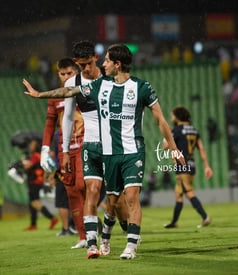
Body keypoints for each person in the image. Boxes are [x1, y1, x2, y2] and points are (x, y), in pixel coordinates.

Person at [23, 43, 185, 260]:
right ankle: (100, 239)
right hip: (105, 151)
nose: (102, 64)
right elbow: (69, 92)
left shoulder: (140, 87)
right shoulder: (101, 85)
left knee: (130, 197)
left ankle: (130, 245)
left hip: (132, 150)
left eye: (106, 60)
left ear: (116, 64)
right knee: (110, 200)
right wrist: (40, 94)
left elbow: (160, 119)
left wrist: (174, 150)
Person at [61, 40, 129, 258]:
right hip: (90, 145)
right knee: (91, 190)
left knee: (115, 201)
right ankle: (92, 244)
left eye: (89, 64)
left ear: (96, 58)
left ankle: (129, 229)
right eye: (82, 66)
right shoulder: (73, 82)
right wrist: (64, 150)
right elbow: (68, 117)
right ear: (76, 63)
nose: (87, 69)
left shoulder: (110, 79)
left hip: (114, 147)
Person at [40, 57, 81, 240]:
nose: (65, 77)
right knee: (70, 190)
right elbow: (50, 123)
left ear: (76, 72)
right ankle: (81, 233)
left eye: (69, 73)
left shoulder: (84, 90)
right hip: (65, 149)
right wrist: (45, 148)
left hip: (86, 145)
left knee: (87, 187)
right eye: (62, 74)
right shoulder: (55, 97)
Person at [162, 106, 213, 229]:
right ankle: (174, 222)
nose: (171, 117)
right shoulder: (194, 130)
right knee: (179, 194)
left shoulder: (177, 130)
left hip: (182, 165)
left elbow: (165, 146)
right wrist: (207, 166)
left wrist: (166, 133)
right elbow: (201, 148)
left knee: (189, 192)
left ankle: (205, 217)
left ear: (177, 117)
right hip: (192, 164)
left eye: (172, 115)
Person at [22, 138, 58, 231]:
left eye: (32, 144)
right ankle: (33, 224)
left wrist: (21, 163)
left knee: (35, 202)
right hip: (35, 181)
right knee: (31, 203)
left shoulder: (35, 156)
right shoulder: (38, 156)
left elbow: (27, 166)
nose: (30, 146)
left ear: (36, 146)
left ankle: (52, 218)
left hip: (34, 182)